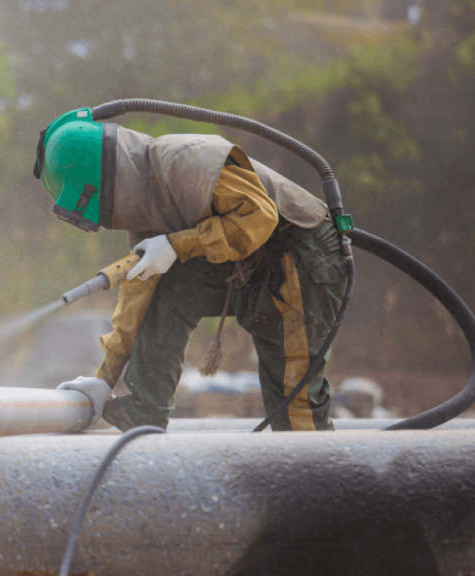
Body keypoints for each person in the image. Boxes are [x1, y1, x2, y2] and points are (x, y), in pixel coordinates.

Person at [33, 107, 348, 431]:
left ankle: (318, 478)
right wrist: (104, 380)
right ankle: (145, 413)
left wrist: (177, 245)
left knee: (294, 409)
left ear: (99, 186)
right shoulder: (146, 208)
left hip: (301, 251)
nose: (103, 221)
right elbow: (138, 298)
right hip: (253, 261)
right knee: (160, 286)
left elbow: (259, 216)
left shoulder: (181, 161)